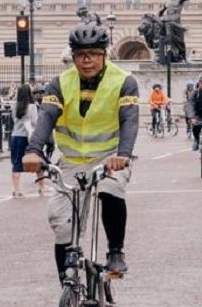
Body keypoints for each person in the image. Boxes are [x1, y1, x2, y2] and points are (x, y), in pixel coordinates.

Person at [22, 19, 140, 281]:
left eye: (94, 54)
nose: (87, 60)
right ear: (73, 56)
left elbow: (129, 119)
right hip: (71, 161)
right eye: (81, 55)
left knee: (111, 190)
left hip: (110, 158)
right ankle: (68, 288)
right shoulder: (59, 83)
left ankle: (116, 251)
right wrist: (33, 150)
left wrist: (124, 154)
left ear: (104, 54)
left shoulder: (124, 81)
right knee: (61, 222)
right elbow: (47, 117)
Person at [10, 84, 43, 197]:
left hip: (16, 136)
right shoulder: (32, 106)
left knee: (16, 162)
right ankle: (41, 186)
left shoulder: (15, 106)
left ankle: (16, 189)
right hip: (29, 137)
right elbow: (35, 122)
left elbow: (14, 119)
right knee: (37, 160)